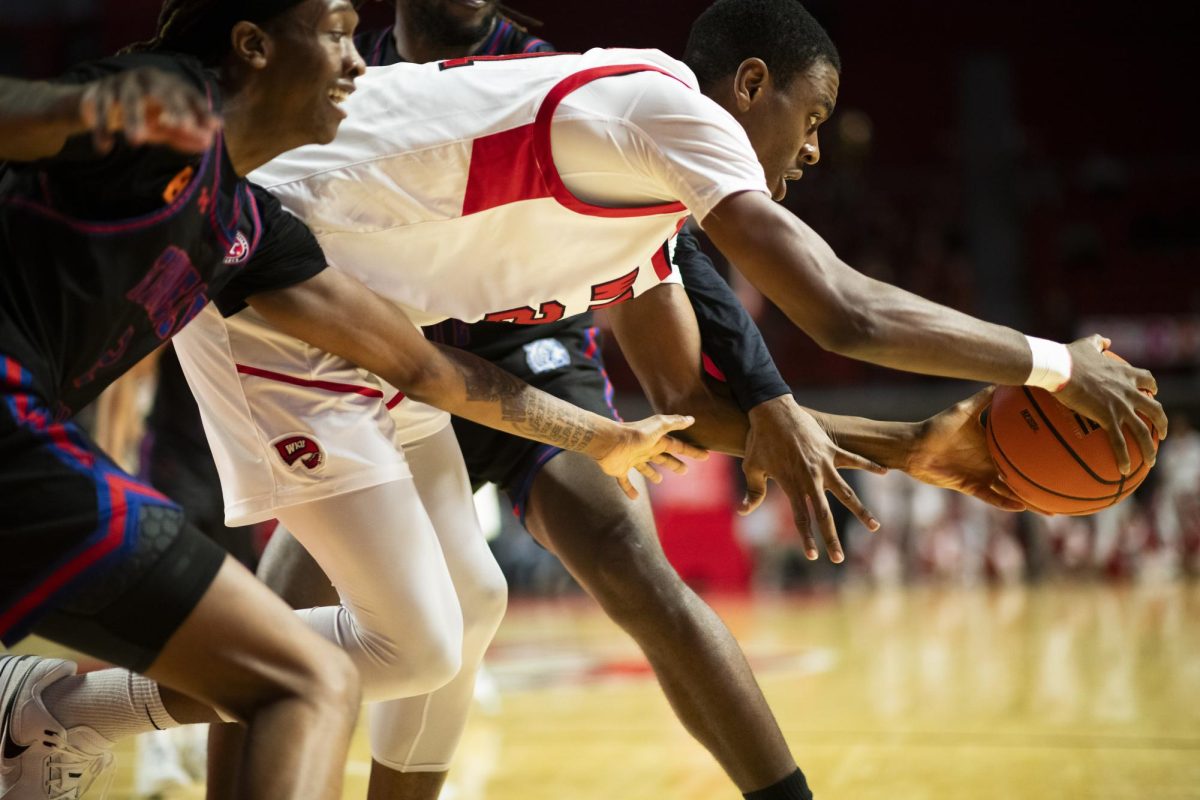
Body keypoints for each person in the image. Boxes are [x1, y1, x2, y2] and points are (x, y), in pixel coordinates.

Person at [178, 1, 1165, 798]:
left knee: (473, 606)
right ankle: (71, 700)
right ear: (749, 86)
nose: (816, 151)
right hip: (276, 267)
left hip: (427, 344)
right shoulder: (666, 108)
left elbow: (686, 407)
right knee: (363, 631)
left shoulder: (646, 214)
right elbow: (841, 311)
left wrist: (913, 443)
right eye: (812, 118)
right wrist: (1054, 364)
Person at [0, 1, 699, 798]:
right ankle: (43, 710)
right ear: (253, 43)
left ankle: (40, 709)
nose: (357, 61)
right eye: (334, 32)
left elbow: (420, 366)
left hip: (25, 442)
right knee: (310, 675)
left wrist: (598, 437)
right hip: (18, 421)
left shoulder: (250, 225)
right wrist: (75, 107)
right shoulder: (166, 97)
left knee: (408, 635)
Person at [229, 4, 875, 800]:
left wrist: (767, 390)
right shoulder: (338, 65)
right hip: (381, 338)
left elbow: (673, 238)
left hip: (519, 349)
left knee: (607, 566)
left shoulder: (542, 68)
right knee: (301, 604)